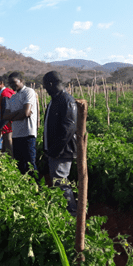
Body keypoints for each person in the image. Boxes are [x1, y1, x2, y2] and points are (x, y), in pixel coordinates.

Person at [43, 71, 78, 216]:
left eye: (45, 85)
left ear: (51, 84)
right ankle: (63, 210)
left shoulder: (66, 100)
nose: (45, 89)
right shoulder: (55, 99)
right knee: (57, 181)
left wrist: (55, 150)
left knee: (61, 181)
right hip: (55, 150)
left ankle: (72, 213)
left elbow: (68, 129)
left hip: (62, 151)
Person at [3, 72, 38, 176]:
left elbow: (26, 113)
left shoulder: (29, 92)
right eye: (10, 83)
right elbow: (5, 116)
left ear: (21, 81)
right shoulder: (13, 97)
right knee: (20, 164)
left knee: (30, 164)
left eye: (14, 82)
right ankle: (26, 188)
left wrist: (14, 116)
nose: (12, 85)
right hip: (16, 134)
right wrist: (20, 112)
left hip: (28, 134)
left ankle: (37, 189)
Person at [0, 76, 16, 155]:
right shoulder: (3, 94)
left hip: (9, 127)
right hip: (6, 127)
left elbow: (6, 115)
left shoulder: (5, 94)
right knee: (4, 151)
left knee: (10, 152)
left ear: (1, 83)